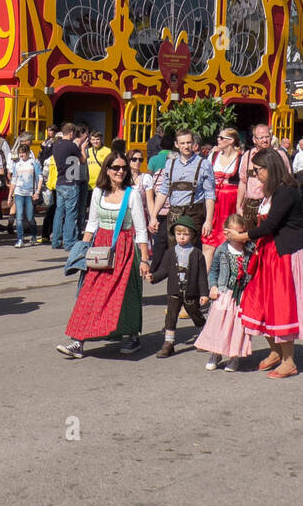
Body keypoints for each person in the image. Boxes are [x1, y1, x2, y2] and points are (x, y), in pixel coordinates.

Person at [57, 152, 150, 359]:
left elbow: (141, 229)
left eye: (123, 168)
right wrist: (82, 248)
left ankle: (132, 335)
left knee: (126, 295)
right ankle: (77, 341)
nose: (120, 171)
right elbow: (92, 224)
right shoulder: (98, 192)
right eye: (116, 167)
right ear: (107, 170)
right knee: (89, 293)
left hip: (125, 247)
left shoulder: (132, 194)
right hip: (100, 249)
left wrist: (144, 259)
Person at [234, 147, 303, 379]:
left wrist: (242, 237)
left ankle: (289, 360)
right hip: (269, 252)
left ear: (271, 167)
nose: (255, 174)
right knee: (258, 300)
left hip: (286, 254)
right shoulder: (272, 191)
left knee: (282, 305)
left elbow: (270, 226)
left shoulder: (286, 191)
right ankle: (276, 350)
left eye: (258, 170)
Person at [147, 130, 216, 272]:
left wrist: (209, 220)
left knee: (192, 253)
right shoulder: (170, 164)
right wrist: (153, 216)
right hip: (174, 213)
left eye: (189, 142)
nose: (186, 146)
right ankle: (176, 290)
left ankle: (192, 290)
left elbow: (210, 195)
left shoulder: (204, 164)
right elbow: (163, 192)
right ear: (176, 145)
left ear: (194, 144)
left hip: (194, 213)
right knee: (174, 253)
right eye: (183, 143)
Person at [196, 213, 254, 371]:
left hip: (242, 295)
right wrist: (213, 286)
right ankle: (215, 353)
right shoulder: (222, 250)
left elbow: (255, 270)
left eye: (240, 233)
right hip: (224, 293)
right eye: (232, 233)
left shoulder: (250, 249)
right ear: (226, 232)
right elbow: (213, 270)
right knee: (218, 324)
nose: (236, 237)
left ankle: (234, 356)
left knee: (237, 327)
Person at [149, 217, 209, 358]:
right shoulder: (170, 253)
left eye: (186, 234)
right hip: (174, 292)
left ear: (193, 235)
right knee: (171, 316)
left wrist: (204, 294)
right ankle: (168, 344)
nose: (182, 237)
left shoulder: (197, 254)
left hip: (190, 293)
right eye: (179, 234)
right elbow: (164, 270)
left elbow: (201, 276)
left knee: (196, 315)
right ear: (174, 235)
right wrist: (153, 277)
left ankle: (205, 337)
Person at [204, 127, 241, 267]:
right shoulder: (213, 156)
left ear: (231, 141)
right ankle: (205, 284)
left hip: (231, 203)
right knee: (208, 242)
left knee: (229, 242)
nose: (218, 140)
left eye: (221, 138)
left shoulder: (240, 157)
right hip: (214, 202)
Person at [236, 123, 290, 210]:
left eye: (267, 136)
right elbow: (243, 181)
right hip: (249, 205)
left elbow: (287, 180)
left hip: (271, 205)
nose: (265, 140)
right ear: (254, 140)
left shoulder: (279, 155)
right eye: (261, 137)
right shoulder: (248, 155)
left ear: (271, 137)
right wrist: (238, 206)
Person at [51, 123, 83, 252]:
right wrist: (81, 147)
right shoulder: (72, 146)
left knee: (59, 212)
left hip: (60, 181)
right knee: (71, 214)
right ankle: (69, 242)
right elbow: (82, 160)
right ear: (71, 133)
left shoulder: (56, 145)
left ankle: (56, 240)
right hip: (70, 182)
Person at [7, 140, 41, 246]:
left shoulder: (34, 163)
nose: (21, 155)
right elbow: (14, 181)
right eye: (20, 152)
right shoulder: (17, 165)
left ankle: (34, 235)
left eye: (23, 152)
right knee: (19, 216)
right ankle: (20, 239)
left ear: (28, 152)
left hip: (30, 193)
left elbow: (39, 178)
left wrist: (38, 192)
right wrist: (10, 196)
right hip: (19, 193)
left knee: (30, 217)